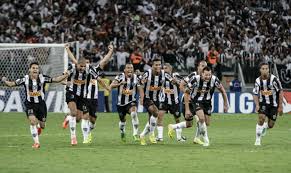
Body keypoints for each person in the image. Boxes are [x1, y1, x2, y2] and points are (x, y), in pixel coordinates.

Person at [2, 62, 68, 148]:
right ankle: (36, 143)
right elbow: (11, 84)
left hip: (41, 105)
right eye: (33, 68)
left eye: (37, 68)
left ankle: (39, 127)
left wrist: (66, 75)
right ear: (29, 69)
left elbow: (56, 79)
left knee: (42, 125)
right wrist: (4, 80)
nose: (35, 70)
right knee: (32, 121)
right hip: (30, 104)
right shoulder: (24, 79)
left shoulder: (43, 78)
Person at [63, 44, 113, 144]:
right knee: (83, 117)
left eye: (87, 63)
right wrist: (68, 49)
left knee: (90, 120)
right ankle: (84, 138)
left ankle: (69, 118)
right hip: (84, 97)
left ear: (89, 64)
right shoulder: (78, 70)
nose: (84, 65)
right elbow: (74, 61)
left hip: (93, 99)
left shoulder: (93, 70)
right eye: (83, 63)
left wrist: (110, 51)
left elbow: (104, 61)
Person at [168, 66, 228, 147]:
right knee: (201, 119)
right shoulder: (195, 79)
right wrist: (187, 110)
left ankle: (175, 127)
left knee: (206, 123)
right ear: (202, 74)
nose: (208, 77)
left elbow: (223, 91)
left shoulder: (214, 80)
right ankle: (206, 140)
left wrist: (225, 104)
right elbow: (186, 93)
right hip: (196, 101)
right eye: (206, 75)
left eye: (209, 75)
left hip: (207, 102)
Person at [139, 57, 172, 145]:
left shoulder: (164, 74)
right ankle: (151, 134)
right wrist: (141, 98)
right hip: (147, 98)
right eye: (156, 65)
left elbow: (173, 80)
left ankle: (142, 135)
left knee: (151, 119)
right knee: (156, 112)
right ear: (152, 66)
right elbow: (140, 84)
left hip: (156, 99)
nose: (158, 66)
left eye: (159, 65)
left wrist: (178, 82)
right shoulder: (147, 74)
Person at [109, 63, 143, 142]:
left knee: (134, 113)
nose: (130, 69)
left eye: (131, 68)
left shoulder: (136, 77)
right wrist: (119, 84)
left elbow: (144, 81)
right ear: (124, 70)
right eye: (128, 68)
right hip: (121, 103)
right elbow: (111, 86)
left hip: (132, 101)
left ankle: (135, 134)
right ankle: (122, 131)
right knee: (122, 121)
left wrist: (140, 74)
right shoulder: (120, 76)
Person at [253, 62, 283, 146]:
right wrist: (257, 104)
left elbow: (280, 92)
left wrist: (280, 106)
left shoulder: (274, 80)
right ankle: (258, 139)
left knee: (271, 125)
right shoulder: (258, 81)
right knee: (261, 118)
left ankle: (265, 126)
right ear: (260, 70)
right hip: (263, 103)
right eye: (263, 69)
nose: (265, 70)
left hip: (273, 105)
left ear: (269, 69)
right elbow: (255, 94)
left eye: (266, 69)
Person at [179, 60, 207, 145]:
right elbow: (181, 85)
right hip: (187, 101)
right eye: (202, 66)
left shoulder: (206, 77)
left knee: (201, 120)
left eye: (205, 66)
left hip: (197, 102)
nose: (203, 68)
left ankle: (197, 138)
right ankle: (173, 127)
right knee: (189, 124)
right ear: (198, 67)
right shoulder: (193, 75)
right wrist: (188, 95)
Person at [156, 63, 185, 142]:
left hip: (174, 101)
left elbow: (183, 82)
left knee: (177, 119)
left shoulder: (175, 75)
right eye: (163, 68)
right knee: (160, 116)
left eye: (166, 68)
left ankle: (179, 137)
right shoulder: (161, 75)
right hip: (164, 100)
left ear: (170, 69)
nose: (164, 70)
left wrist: (177, 82)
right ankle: (160, 137)